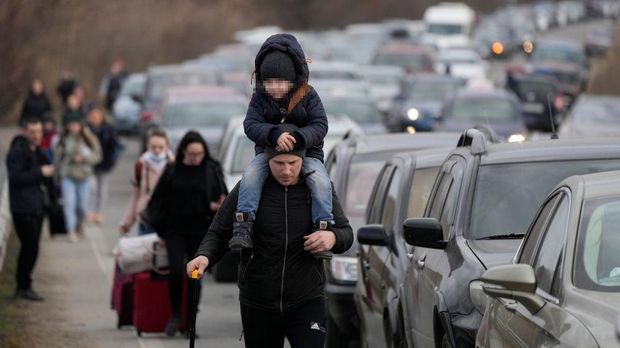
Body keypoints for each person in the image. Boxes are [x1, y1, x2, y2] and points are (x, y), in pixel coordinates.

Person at [186, 131, 353, 348]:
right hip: (258, 300)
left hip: (307, 298)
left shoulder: (319, 190)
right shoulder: (248, 190)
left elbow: (346, 234)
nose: (286, 170)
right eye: (279, 163)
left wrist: (332, 237)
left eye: (293, 163)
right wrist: (204, 256)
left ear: (303, 160)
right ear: (267, 161)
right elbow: (219, 231)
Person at [229, 33, 333, 261]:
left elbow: (320, 125)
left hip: (308, 155)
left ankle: (323, 227)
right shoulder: (259, 99)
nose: (274, 87)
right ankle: (243, 225)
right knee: (251, 175)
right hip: (268, 155)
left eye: (279, 82)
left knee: (321, 181)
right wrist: (273, 134)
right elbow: (250, 125)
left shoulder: (308, 95)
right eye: (269, 82)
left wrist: (297, 138)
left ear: (292, 79)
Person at [146, 131, 226, 336]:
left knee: (195, 274)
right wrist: (160, 229)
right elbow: (157, 201)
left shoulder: (211, 169)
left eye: (199, 154)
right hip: (174, 229)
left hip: (201, 229)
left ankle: (191, 320)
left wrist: (218, 205)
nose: (195, 158)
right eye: (191, 154)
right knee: (174, 271)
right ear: (182, 151)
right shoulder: (172, 170)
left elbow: (223, 197)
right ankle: (175, 315)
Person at [6, 117, 56, 301]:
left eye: (39, 132)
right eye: (33, 132)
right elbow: (16, 178)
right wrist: (40, 173)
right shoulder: (17, 152)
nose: (36, 136)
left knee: (32, 248)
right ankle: (22, 286)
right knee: (30, 246)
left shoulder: (39, 152)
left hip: (36, 206)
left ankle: (25, 285)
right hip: (21, 207)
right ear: (25, 132)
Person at [55, 112, 102, 242]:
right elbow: (57, 159)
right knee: (69, 204)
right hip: (68, 175)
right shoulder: (63, 139)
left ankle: (80, 223)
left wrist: (84, 158)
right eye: (71, 124)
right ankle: (70, 230)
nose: (73, 127)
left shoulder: (89, 139)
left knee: (82, 205)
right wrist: (57, 175)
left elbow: (98, 156)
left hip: (84, 176)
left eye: (76, 124)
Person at [119, 128, 174, 235]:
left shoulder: (173, 165)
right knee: (144, 251)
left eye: (161, 147)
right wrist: (126, 223)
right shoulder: (141, 165)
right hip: (146, 218)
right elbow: (136, 197)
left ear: (167, 147)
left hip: (167, 220)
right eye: (153, 147)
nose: (157, 151)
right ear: (148, 146)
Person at [86, 105, 121, 224]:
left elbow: (116, 147)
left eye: (97, 115)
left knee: (102, 191)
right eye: (93, 115)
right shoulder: (86, 130)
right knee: (92, 188)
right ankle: (89, 211)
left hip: (104, 165)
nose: (95, 117)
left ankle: (99, 213)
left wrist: (112, 161)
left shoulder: (108, 129)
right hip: (89, 165)